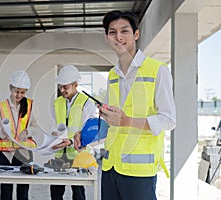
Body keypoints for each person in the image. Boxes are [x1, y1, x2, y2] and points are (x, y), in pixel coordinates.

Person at [74, 10, 176, 200]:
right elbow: (112, 122)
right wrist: (85, 135)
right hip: (111, 167)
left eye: (124, 31)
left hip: (139, 172)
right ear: (107, 38)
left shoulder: (157, 70)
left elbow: (168, 120)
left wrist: (128, 121)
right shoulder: (113, 75)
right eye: (112, 32)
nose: (118, 37)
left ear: (136, 34)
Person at [50, 64, 96, 200]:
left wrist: (70, 141)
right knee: (56, 193)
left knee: (78, 193)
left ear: (75, 85)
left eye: (66, 87)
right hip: (59, 155)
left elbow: (88, 133)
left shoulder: (87, 103)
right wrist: (53, 138)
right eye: (60, 86)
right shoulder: (57, 103)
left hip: (77, 155)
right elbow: (53, 126)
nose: (62, 90)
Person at [0, 70, 35, 200]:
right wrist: (2, 132)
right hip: (6, 153)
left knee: (23, 191)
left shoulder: (31, 105)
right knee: (6, 190)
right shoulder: (0, 106)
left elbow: (36, 126)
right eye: (17, 91)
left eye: (23, 92)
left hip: (24, 153)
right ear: (11, 89)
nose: (19, 95)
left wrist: (27, 132)